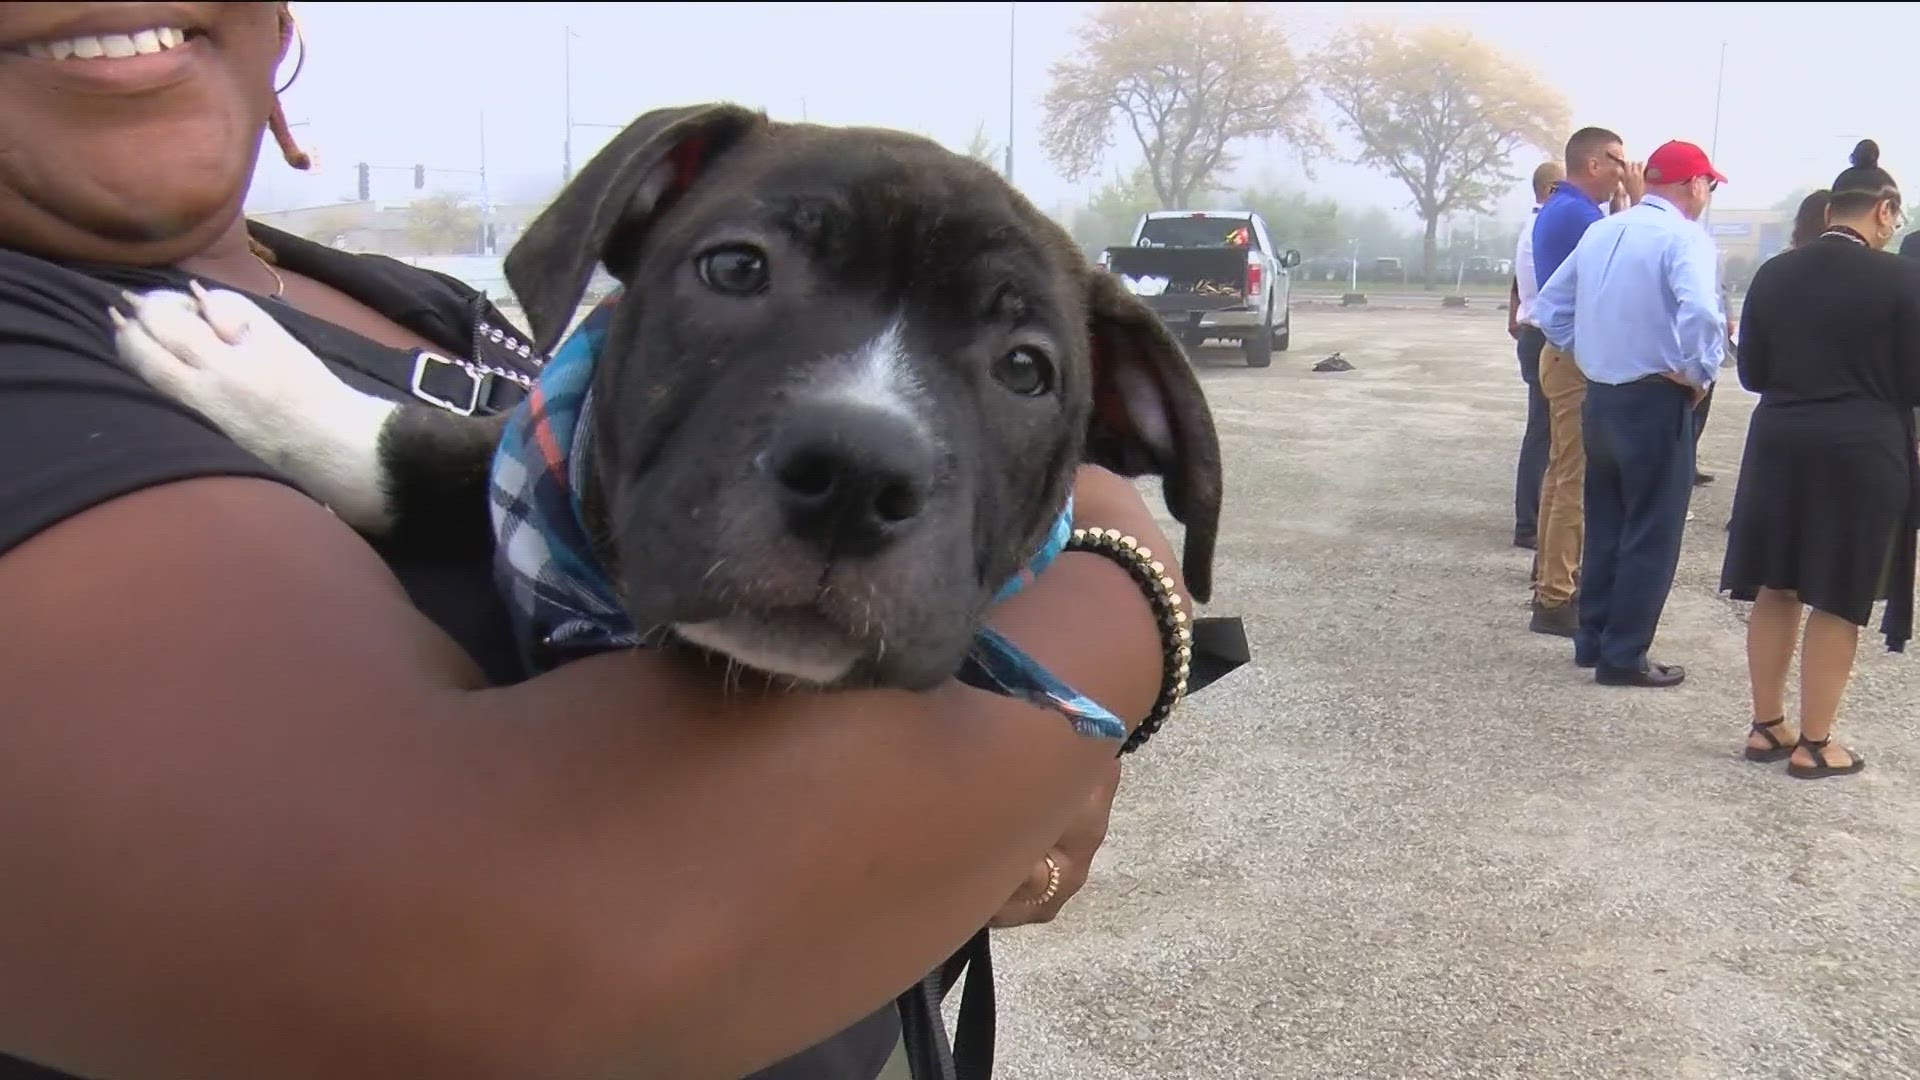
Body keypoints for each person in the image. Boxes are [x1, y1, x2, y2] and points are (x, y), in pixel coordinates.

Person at [0, 4, 1184, 1078]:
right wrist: (1123, 591)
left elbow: (541, 468)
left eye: (1028, 366)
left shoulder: (411, 301)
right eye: (739, 272)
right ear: (624, 229)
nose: (860, 448)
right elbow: (502, 959)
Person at [1721, 142, 1919, 780]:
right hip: (1863, 445)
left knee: (1777, 585)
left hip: (1780, 436)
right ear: (1885, 213)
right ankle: (1815, 742)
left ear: (1831, 208)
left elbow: (1751, 372)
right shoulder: (1903, 280)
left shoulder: (1776, 274)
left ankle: (1765, 724)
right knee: (1838, 592)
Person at [1533, 139, 1727, 688]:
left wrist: (1590, 350)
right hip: (1653, 396)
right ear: (1693, 185)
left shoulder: (1603, 229)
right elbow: (1701, 313)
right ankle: (1624, 655)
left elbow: (1550, 307)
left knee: (1608, 523)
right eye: (1707, 186)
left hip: (1603, 394)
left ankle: (1592, 640)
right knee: (1651, 530)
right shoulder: (1684, 237)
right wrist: (1698, 373)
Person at [1527, 126, 1643, 638]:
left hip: (1561, 356)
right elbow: (1622, 272)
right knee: (1573, 479)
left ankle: (1547, 581)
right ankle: (1556, 596)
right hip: (1574, 360)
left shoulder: (1566, 209)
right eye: (1618, 160)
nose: (1624, 170)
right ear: (1593, 164)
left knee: (1560, 473)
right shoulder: (1579, 216)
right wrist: (1637, 209)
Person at [1508, 160, 1567, 551]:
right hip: (1545, 336)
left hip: (1534, 331)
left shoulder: (1534, 227)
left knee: (1543, 430)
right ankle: (1530, 523)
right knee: (1545, 432)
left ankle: (1531, 520)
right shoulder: (1547, 227)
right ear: (1549, 190)